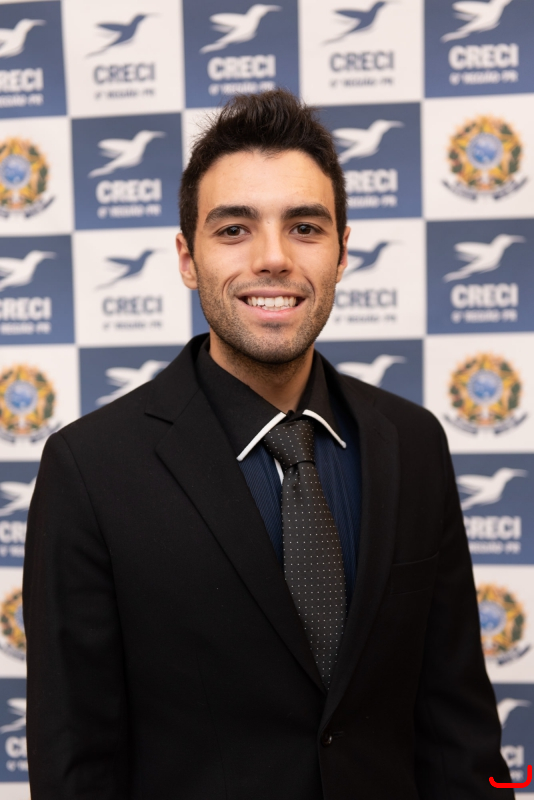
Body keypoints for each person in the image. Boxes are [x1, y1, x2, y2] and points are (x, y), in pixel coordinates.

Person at [23, 89, 512, 800]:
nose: (274, 258)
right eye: (234, 229)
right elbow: (77, 760)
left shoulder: (413, 442)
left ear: (342, 252)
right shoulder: (91, 469)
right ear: (187, 258)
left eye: (305, 227)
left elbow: (458, 724)